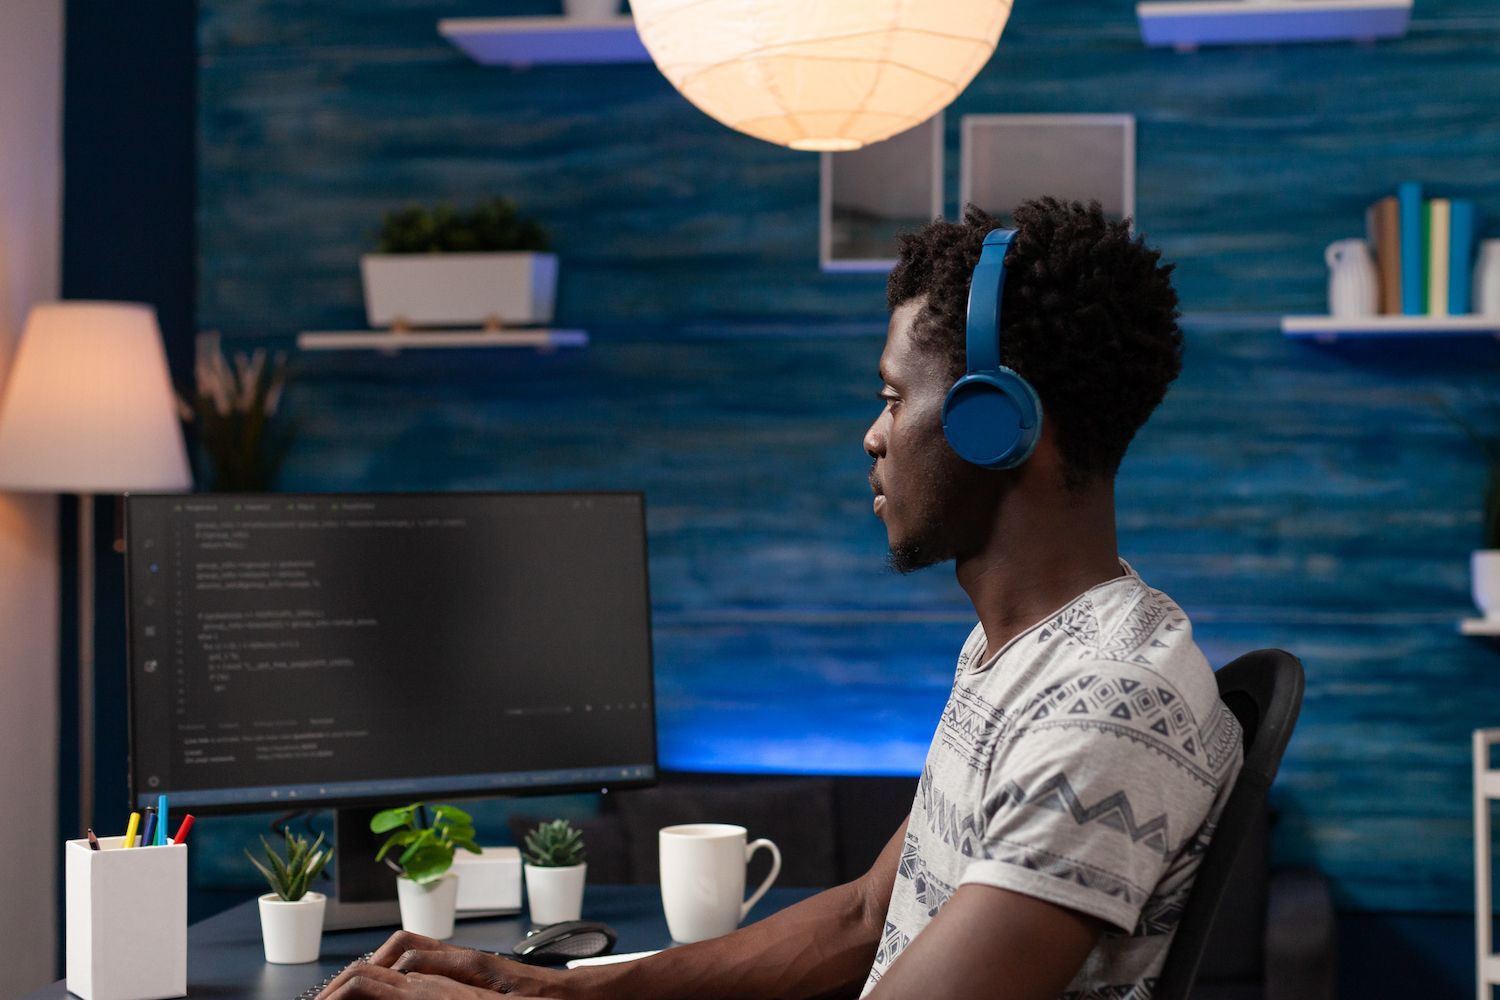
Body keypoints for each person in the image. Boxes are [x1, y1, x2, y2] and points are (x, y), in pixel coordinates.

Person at [318, 199, 1244, 1000]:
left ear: (993, 424)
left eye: (892, 397)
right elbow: (866, 915)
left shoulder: (1108, 705)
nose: (873, 437)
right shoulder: (1025, 655)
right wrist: (553, 984)